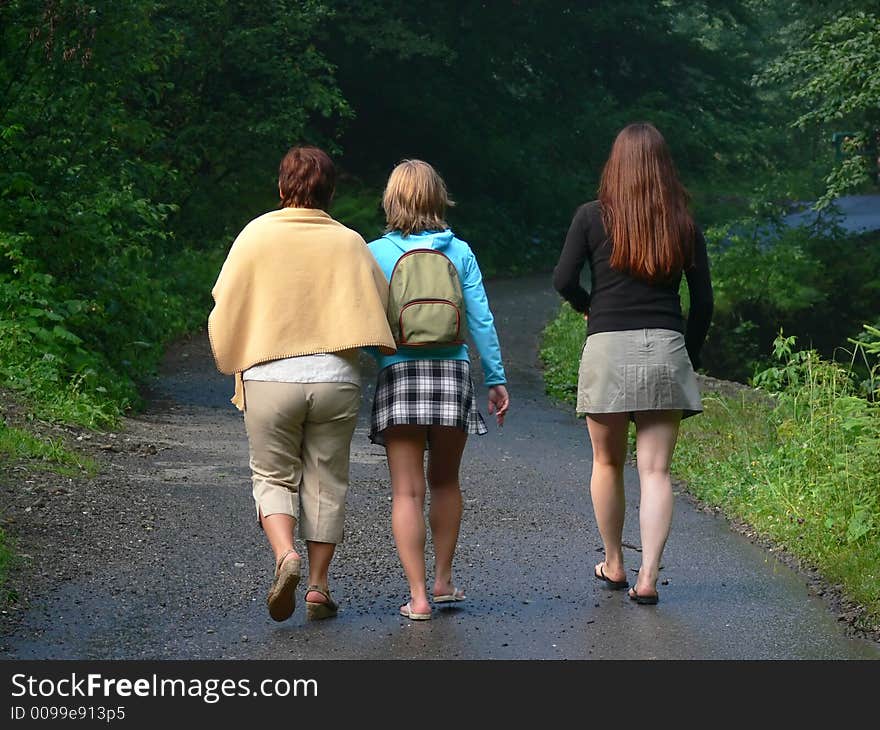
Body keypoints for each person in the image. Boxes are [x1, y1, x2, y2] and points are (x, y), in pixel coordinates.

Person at [208, 145, 396, 622]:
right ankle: (317, 585)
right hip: (334, 378)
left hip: (269, 375)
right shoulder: (349, 241)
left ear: (281, 187)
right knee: (326, 479)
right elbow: (382, 303)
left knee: (271, 476)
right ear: (330, 192)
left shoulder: (255, 235)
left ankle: (284, 555)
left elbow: (223, 301)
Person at [552, 122, 713, 605]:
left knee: (607, 461)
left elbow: (562, 279)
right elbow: (703, 302)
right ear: (665, 168)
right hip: (665, 346)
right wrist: (691, 353)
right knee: (657, 472)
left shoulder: (590, 216)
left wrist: (589, 306)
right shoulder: (682, 223)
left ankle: (615, 563)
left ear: (615, 165)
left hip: (607, 347)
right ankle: (649, 577)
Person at [367, 159, 510, 620]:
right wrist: (496, 377)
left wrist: (382, 359)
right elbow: (481, 320)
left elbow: (363, 320)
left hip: (399, 375)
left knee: (406, 492)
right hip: (452, 374)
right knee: (446, 481)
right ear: (437, 198)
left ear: (392, 200)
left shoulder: (374, 253)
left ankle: (418, 597)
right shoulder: (461, 251)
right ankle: (444, 580)